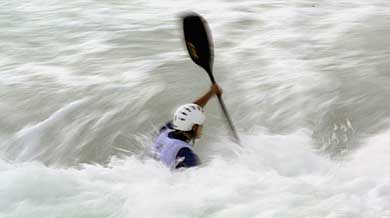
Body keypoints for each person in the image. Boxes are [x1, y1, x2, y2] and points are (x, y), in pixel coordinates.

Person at [149, 84, 222, 169]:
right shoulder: (187, 156)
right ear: (194, 127)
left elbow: (187, 112)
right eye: (201, 125)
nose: (202, 129)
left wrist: (210, 93)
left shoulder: (166, 130)